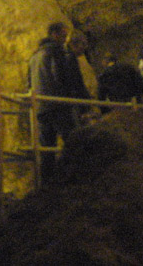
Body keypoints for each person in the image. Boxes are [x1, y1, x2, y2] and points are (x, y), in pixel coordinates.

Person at [28, 22, 91, 185]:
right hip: (58, 105)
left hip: (41, 108)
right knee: (74, 143)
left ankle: (46, 186)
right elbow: (63, 79)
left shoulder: (34, 56)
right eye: (63, 35)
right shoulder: (57, 52)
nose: (65, 39)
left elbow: (30, 84)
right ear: (54, 34)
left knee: (47, 150)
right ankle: (75, 183)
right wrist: (79, 105)